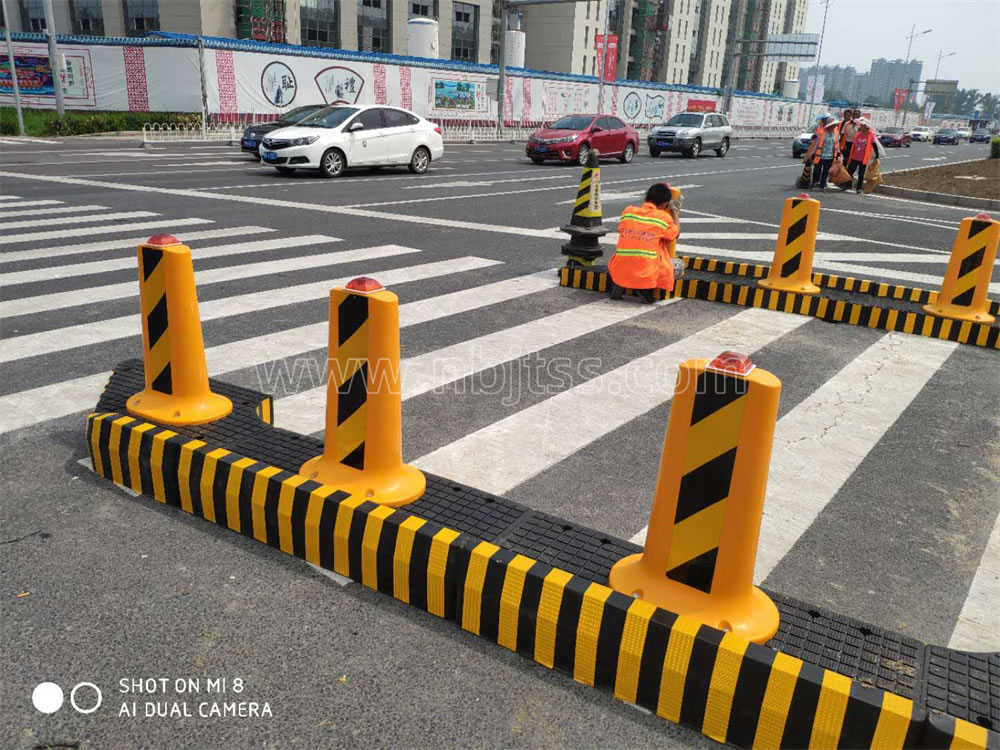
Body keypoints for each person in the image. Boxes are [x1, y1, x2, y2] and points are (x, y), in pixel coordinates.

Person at [609, 183, 681, 304]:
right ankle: (643, 289)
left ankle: (619, 284)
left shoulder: (628, 212)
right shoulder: (663, 217)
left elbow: (622, 230)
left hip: (619, 266)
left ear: (646, 198)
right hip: (644, 271)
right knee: (666, 259)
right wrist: (675, 212)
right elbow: (675, 234)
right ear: (664, 204)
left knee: (629, 249)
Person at [806, 115, 841, 191]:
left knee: (825, 171)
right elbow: (816, 144)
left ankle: (822, 186)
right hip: (819, 155)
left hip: (830, 156)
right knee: (817, 170)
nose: (835, 126)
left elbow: (837, 144)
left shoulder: (836, 133)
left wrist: (838, 153)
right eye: (834, 124)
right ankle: (815, 182)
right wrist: (813, 154)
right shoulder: (822, 133)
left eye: (835, 125)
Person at [844, 118, 878, 195]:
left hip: (863, 158)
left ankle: (858, 188)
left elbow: (874, 145)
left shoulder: (871, 135)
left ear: (866, 127)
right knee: (850, 171)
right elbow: (854, 146)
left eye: (862, 126)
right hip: (854, 156)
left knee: (861, 173)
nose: (860, 127)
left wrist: (877, 155)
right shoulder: (858, 134)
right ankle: (848, 185)